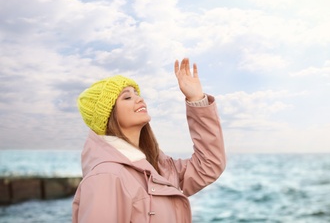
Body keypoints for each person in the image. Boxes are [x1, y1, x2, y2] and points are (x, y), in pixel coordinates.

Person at [72, 58, 226, 222]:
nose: (139, 99)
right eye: (127, 97)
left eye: (137, 94)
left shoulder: (158, 166)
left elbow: (209, 165)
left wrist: (197, 99)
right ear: (108, 115)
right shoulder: (106, 177)